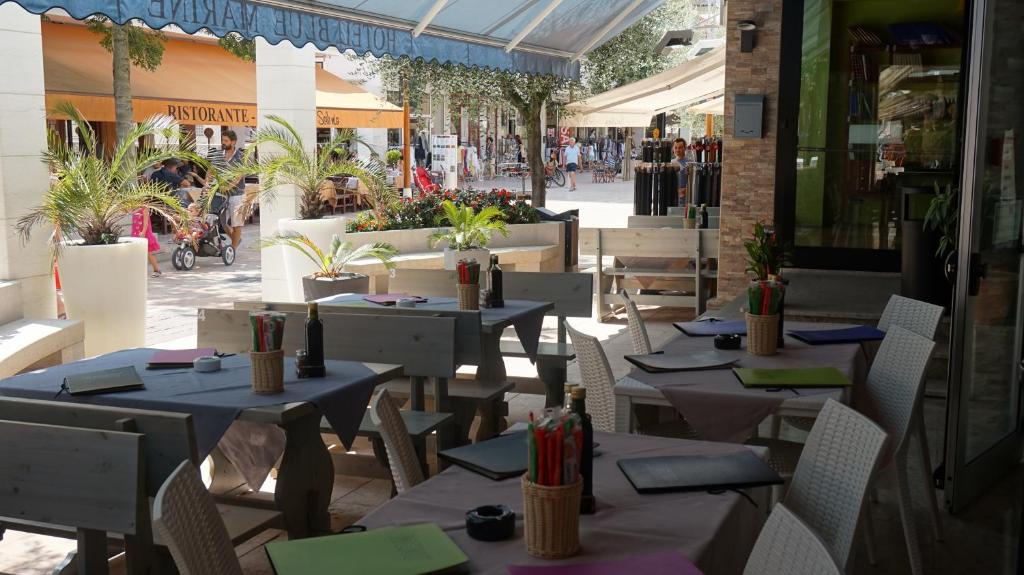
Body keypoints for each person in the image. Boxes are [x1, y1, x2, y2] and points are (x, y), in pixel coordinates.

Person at [214, 130, 246, 250]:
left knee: (236, 223)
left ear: (233, 142)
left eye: (226, 141)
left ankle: (232, 249)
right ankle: (236, 240)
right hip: (221, 193)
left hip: (237, 194)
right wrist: (207, 182)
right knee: (221, 222)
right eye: (223, 140)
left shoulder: (240, 156)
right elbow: (212, 169)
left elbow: (239, 176)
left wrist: (228, 187)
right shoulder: (219, 154)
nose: (223, 143)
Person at [131, 206, 161, 278]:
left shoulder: (144, 209)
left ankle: (156, 270)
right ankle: (138, 271)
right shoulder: (134, 208)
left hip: (144, 234)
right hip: (136, 233)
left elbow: (146, 222)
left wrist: (143, 232)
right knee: (138, 253)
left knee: (149, 253)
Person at [672, 137, 689, 203]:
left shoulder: (689, 163)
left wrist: (687, 190)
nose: (677, 150)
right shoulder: (671, 163)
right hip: (673, 198)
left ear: (685, 148)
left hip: (686, 199)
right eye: (675, 147)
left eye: (680, 147)